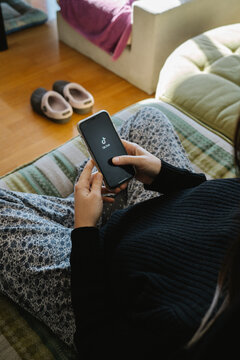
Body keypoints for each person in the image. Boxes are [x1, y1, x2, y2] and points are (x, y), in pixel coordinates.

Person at [0, 107, 239, 359]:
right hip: (153, 214)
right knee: (147, 117)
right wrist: (163, 174)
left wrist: (84, 231)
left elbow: (99, 343)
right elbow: (213, 200)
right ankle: (90, 202)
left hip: (98, 276)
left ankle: (82, 208)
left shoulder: (203, 327)